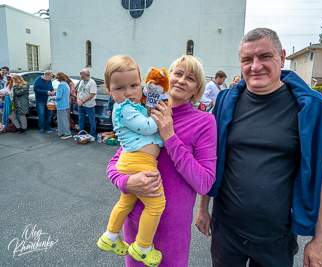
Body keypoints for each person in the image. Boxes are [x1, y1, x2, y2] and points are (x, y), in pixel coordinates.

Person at [195, 28, 322, 267]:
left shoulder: (312, 110)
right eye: (247, 59)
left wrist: (321, 240)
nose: (255, 66)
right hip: (226, 230)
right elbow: (211, 158)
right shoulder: (225, 103)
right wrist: (203, 208)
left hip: (277, 237)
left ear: (282, 57)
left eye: (265, 56)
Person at [106, 55, 217, 266]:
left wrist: (170, 137)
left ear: (197, 89)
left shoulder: (204, 121)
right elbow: (115, 163)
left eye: (190, 77)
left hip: (173, 231)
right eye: (177, 73)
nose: (182, 80)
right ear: (168, 78)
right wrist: (126, 183)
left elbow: (205, 182)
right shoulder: (145, 113)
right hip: (137, 226)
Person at [97, 55, 165, 266]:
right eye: (120, 88)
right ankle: (143, 247)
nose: (128, 92)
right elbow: (146, 127)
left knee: (126, 201)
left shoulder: (130, 105)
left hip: (132, 159)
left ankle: (110, 236)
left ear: (141, 83)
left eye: (134, 85)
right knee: (156, 204)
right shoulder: (125, 107)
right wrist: (158, 116)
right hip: (139, 161)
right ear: (108, 89)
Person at [77, 69, 97, 140]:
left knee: (91, 120)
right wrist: (78, 100)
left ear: (84, 74)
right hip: (81, 105)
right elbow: (78, 91)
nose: (80, 74)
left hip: (89, 105)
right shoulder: (81, 81)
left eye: (81, 73)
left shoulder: (92, 82)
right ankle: (81, 134)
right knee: (81, 120)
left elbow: (92, 94)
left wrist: (83, 101)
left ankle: (92, 135)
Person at [53, 72, 72, 139]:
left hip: (61, 105)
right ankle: (62, 132)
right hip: (66, 104)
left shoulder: (61, 85)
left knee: (62, 120)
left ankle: (67, 133)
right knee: (63, 119)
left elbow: (59, 96)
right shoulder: (66, 84)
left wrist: (54, 97)